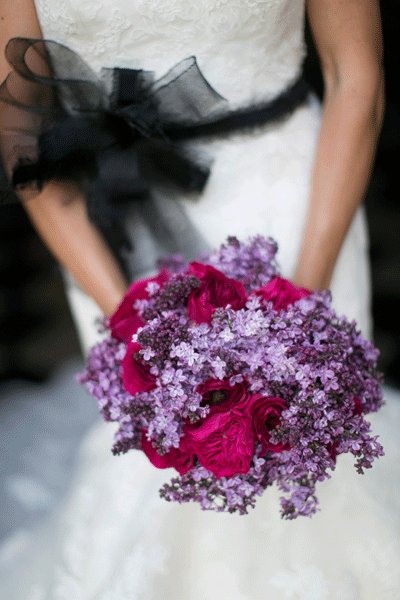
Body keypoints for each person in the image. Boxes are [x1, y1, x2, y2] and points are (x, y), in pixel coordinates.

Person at [1, 1, 399, 598]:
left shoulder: (301, 255)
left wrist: (302, 297)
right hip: (106, 214)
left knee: (309, 442)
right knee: (152, 460)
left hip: (291, 203)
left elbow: (355, 75)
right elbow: (18, 128)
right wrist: (127, 316)